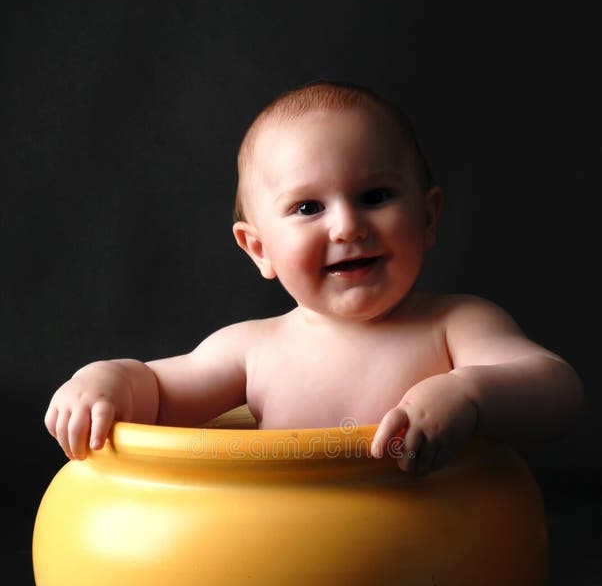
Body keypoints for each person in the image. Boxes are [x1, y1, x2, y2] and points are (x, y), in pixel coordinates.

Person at [45, 80, 584, 476]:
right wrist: (107, 380)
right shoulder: (252, 350)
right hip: (297, 568)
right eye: (307, 207)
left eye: (375, 196)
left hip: (431, 566)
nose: (348, 226)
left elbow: (556, 388)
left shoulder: (456, 325)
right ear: (259, 249)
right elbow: (157, 393)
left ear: (427, 217)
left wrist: (468, 393)